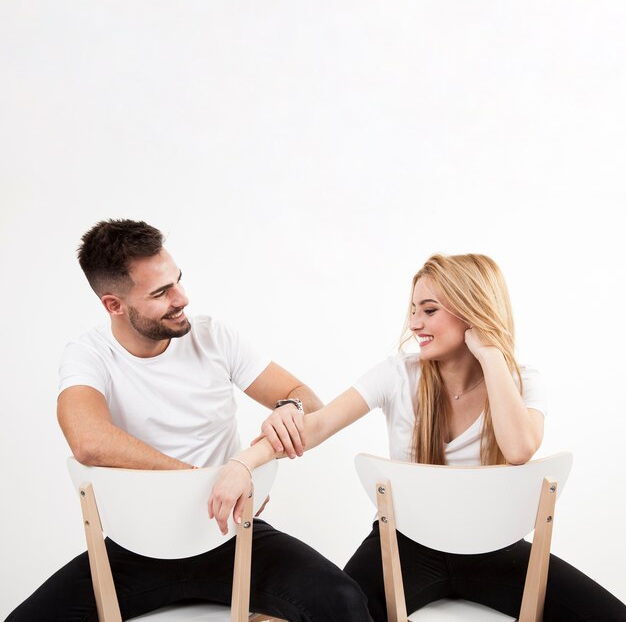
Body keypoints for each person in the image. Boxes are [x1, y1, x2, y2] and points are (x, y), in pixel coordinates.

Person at [209, 253, 626, 621]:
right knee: (331, 609)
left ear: (472, 311)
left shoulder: (522, 381)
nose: (414, 324)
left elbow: (519, 449)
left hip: (496, 547)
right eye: (412, 310)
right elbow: (315, 426)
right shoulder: (397, 374)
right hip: (403, 547)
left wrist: (492, 354)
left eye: (429, 310)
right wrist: (243, 462)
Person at [6, 219, 372, 622]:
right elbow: (88, 440)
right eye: (161, 292)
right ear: (114, 305)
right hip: (134, 550)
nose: (182, 298)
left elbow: (309, 403)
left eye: (177, 280)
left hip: (231, 538)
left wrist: (289, 409)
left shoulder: (214, 337)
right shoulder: (88, 355)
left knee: (344, 601)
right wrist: (206, 484)